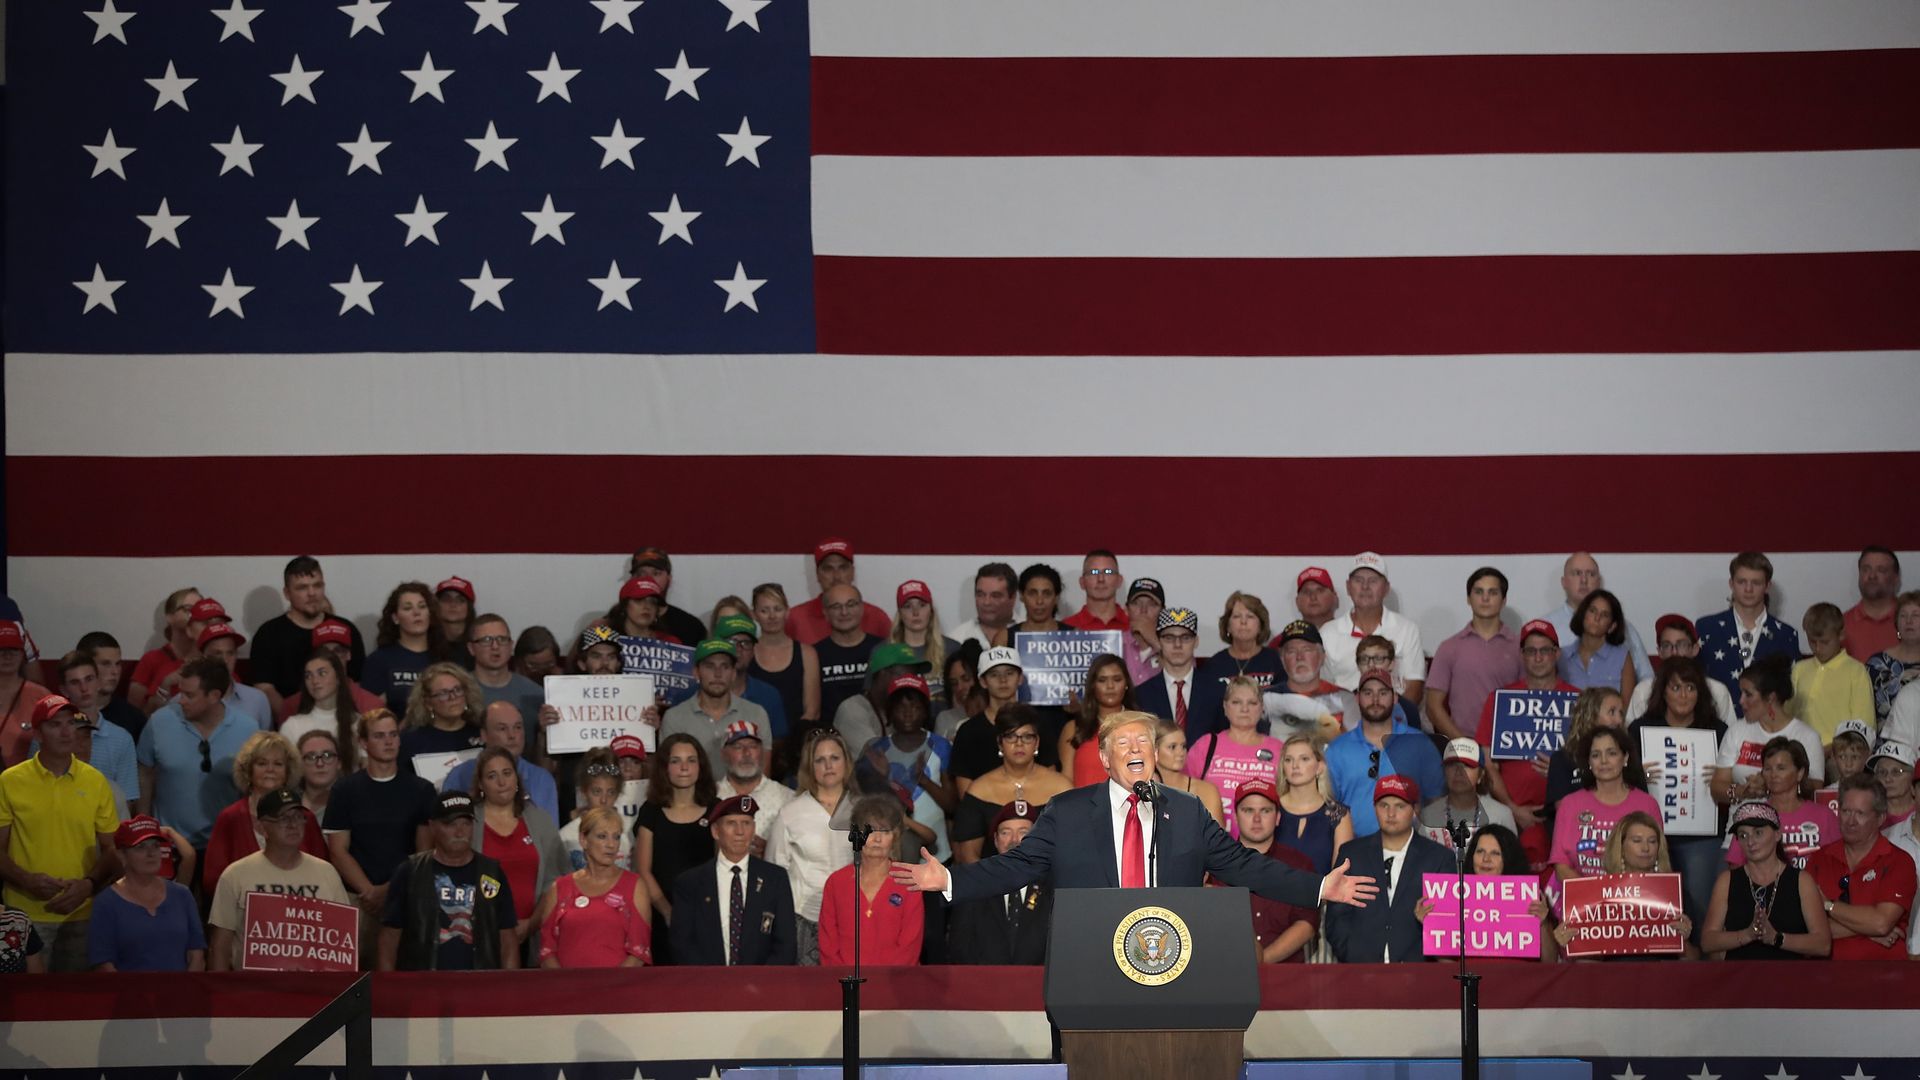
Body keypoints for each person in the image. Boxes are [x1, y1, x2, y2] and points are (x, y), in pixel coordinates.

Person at [891, 711, 1378, 911]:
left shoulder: (1186, 811)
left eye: (1143, 739)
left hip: (1173, 962)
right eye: (1121, 742)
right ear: (1104, 759)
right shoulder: (1066, 810)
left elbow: (1244, 865)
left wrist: (1317, 886)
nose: (1135, 747)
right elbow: (1018, 866)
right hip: (1090, 968)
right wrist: (950, 881)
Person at [0, 694, 121, 970]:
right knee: (26, 1003)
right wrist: (26, 880)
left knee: (76, 1005)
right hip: (23, 914)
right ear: (38, 734)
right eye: (56, 725)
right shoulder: (10, 781)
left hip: (81, 912)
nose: (67, 731)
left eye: (71, 723)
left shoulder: (95, 781)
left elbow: (113, 849)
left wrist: (88, 885)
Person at [1628, 655, 1729, 932]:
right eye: (1675, 687)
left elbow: (1733, 787)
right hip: (1652, 835)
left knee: (1700, 910)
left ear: (1701, 693)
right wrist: (1639, 776)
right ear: (1663, 692)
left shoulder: (1719, 731)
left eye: (1690, 688)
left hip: (1702, 836)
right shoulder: (1639, 730)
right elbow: (1620, 781)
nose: (1683, 695)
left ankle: (1699, 969)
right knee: (1656, 910)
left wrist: (1721, 780)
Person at [323, 708, 434, 945]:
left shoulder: (421, 790)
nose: (388, 741)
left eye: (393, 734)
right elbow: (338, 850)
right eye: (379, 736)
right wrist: (370, 892)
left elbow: (423, 853)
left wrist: (390, 890)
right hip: (357, 899)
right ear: (363, 742)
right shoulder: (344, 791)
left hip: (405, 895)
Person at [206, 788, 350, 970]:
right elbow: (220, 947)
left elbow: (342, 942)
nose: (293, 825)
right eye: (284, 818)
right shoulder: (235, 875)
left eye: (298, 817)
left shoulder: (327, 872)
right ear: (261, 826)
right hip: (253, 989)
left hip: (311, 987)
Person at [1475, 619, 1579, 864]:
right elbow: (1488, 764)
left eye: (1545, 650)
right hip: (1512, 815)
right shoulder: (1500, 700)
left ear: (1557, 653)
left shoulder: (1578, 700)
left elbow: (1590, 763)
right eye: (1531, 651)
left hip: (1565, 814)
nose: (1538, 657)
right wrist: (1512, 808)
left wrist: (1560, 773)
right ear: (1522, 655)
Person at [379, 791, 520, 971]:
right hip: (424, 989)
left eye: (466, 823)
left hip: (480, 988)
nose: (460, 832)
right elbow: (389, 939)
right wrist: (390, 990)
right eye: (450, 824)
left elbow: (507, 939)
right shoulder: (410, 872)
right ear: (432, 826)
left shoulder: (492, 873)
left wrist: (509, 990)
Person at [1324, 774, 1454, 962]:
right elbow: (1336, 915)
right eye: (1384, 805)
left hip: (1418, 972)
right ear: (1374, 808)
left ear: (1416, 809)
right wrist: (1352, 954)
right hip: (1360, 971)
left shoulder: (1439, 858)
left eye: (1400, 806)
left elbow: (1448, 924)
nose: (1391, 814)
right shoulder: (1352, 854)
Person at [136, 657, 256, 850]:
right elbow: (145, 774)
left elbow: (254, 789)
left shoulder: (248, 729)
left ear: (214, 696)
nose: (181, 700)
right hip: (170, 844)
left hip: (225, 845)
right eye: (181, 692)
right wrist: (145, 829)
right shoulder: (159, 722)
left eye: (189, 695)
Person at [669, 793, 798, 964]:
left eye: (746, 823)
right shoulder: (690, 883)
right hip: (707, 985)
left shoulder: (775, 879)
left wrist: (760, 983)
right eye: (731, 824)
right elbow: (682, 945)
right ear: (715, 831)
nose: (740, 832)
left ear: (754, 829)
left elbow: (786, 944)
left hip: (762, 985)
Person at [764, 729, 856, 964]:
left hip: (854, 916)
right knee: (809, 995)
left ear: (846, 762)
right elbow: (775, 872)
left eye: (834, 758)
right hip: (804, 918)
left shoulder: (863, 808)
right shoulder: (791, 812)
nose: (828, 766)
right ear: (810, 766)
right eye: (820, 760)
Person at [201, 731, 329, 898]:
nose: (270, 770)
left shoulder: (306, 818)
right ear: (248, 770)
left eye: (278, 764)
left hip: (298, 912)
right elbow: (212, 881)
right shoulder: (230, 817)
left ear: (288, 771)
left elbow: (323, 874)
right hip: (243, 913)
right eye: (262, 763)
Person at [1552, 810, 1693, 959]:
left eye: (1652, 841)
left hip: (1661, 978)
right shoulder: (1597, 896)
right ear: (1621, 847)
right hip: (1612, 978)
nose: (1646, 848)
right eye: (1637, 841)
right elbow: (1587, 967)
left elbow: (1696, 963)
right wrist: (1570, 943)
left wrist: (1683, 941)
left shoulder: (1676, 895)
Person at [1702, 800, 1831, 960]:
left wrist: (1776, 938)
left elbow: (1823, 944)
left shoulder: (1801, 881)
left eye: (1758, 833)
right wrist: (1747, 935)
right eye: (1743, 835)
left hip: (1788, 979)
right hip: (1740, 979)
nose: (1750, 841)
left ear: (1777, 834)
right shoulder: (1727, 881)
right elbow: (1708, 941)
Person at [1804, 774, 1915, 960]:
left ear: (1880, 818)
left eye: (1860, 813)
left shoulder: (1899, 862)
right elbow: (1803, 927)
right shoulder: (1819, 859)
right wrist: (1866, 931)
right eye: (1846, 811)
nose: (1851, 821)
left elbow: (1881, 922)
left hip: (1883, 979)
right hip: (1824, 979)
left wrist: (1827, 905)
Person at [472, 745, 566, 961]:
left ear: (517, 778)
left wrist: (531, 923)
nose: (502, 782)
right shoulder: (468, 824)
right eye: (492, 776)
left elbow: (558, 881)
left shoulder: (540, 820)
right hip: (482, 937)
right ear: (481, 784)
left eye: (507, 773)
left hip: (534, 934)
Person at [1326, 670, 1444, 838]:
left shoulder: (1419, 744)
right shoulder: (1337, 749)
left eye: (1383, 693)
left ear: (1395, 698)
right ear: (1357, 698)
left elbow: (1436, 799)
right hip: (1353, 850)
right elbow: (1329, 806)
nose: (1375, 700)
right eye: (1368, 693)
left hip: (1411, 851)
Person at [950, 705, 1072, 864]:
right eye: (1011, 736)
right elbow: (967, 854)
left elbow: (1072, 846)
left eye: (1027, 737)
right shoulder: (979, 790)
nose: (1019, 743)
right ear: (1000, 743)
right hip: (992, 883)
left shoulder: (1062, 788)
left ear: (1037, 743)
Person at [635, 734, 717, 964]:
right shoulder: (650, 811)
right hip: (661, 917)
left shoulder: (716, 809)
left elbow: (722, 865)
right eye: (675, 761)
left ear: (700, 766)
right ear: (664, 767)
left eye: (691, 760)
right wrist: (669, 912)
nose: (684, 767)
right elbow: (643, 871)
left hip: (707, 916)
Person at [535, 806, 651, 968]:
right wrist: (566, 986)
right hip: (567, 989)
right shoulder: (560, 888)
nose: (611, 844)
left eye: (616, 837)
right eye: (602, 836)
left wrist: (608, 988)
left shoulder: (634, 886)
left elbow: (639, 951)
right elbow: (547, 950)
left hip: (617, 988)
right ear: (584, 840)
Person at [248, 556, 367, 714]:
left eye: (317, 585)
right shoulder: (268, 634)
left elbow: (357, 682)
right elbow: (264, 688)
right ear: (287, 593)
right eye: (302, 588)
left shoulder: (345, 629)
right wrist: (294, 723)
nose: (312, 593)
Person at [86, 815, 206, 971]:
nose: (151, 853)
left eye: (156, 846)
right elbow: (103, 964)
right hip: (128, 993)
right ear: (122, 855)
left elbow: (196, 955)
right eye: (140, 847)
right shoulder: (106, 903)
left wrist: (185, 992)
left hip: (180, 992)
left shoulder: (182, 895)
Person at [1222, 778, 1321, 963]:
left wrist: (1263, 962)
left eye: (1265, 811)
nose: (1257, 819)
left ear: (1277, 818)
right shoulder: (1216, 865)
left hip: (1287, 977)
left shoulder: (1299, 864)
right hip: (1228, 974)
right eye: (1248, 810)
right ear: (1235, 816)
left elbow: (1307, 924)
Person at [819, 794, 924, 966]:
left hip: (894, 985)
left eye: (885, 831)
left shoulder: (908, 882)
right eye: (870, 830)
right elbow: (828, 945)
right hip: (845, 985)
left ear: (895, 836)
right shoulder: (836, 883)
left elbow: (909, 948)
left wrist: (884, 984)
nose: (877, 838)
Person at [1695, 552, 1804, 717]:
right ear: (1731, 584)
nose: (1748, 589)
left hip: (1769, 731)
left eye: (1756, 583)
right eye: (1741, 582)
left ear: (1768, 586)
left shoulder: (1786, 635)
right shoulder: (1707, 629)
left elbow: (1791, 694)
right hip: (1716, 726)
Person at [946, 799, 1051, 964]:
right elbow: (959, 949)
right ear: (995, 840)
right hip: (984, 985)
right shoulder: (974, 887)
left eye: (1023, 831)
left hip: (1040, 985)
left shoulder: (1053, 887)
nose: (1014, 840)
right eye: (1005, 832)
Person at [864, 674, 956, 863]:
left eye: (915, 707)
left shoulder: (941, 746)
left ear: (925, 711)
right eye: (900, 707)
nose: (908, 713)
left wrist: (925, 781)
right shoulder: (878, 750)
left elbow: (953, 806)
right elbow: (867, 805)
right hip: (892, 855)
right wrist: (882, 778)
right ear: (890, 711)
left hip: (937, 856)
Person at [1550, 727, 1660, 881]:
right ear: (1588, 761)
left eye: (1612, 753)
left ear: (1625, 758)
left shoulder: (1647, 804)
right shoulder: (1570, 804)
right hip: (1581, 899)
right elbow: (1561, 865)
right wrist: (1594, 896)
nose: (1603, 761)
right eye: (1596, 755)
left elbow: (1657, 861)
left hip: (1633, 897)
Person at [1425, 567, 1522, 741]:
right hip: (1462, 748)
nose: (1485, 598)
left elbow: (1530, 700)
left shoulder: (1520, 648)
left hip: (1508, 746)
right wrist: (1464, 745)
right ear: (1469, 599)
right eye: (1479, 592)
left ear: (1504, 600)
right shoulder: (1449, 648)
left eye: (1493, 592)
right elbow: (1433, 706)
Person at [1716, 656, 1826, 807]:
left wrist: (1769, 784)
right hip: (1740, 825)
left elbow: (1815, 792)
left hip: (1788, 826)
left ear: (1770, 698)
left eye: (1748, 694)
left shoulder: (1807, 737)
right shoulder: (1736, 731)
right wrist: (1743, 791)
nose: (1741, 701)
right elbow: (1716, 787)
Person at [1321, 553, 1427, 702]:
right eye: (1358, 580)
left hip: (1394, 719)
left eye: (1373, 581)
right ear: (1348, 587)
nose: (1365, 587)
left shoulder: (1407, 630)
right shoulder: (1327, 633)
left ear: (1386, 588)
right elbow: (1323, 689)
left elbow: (1414, 688)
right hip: (1343, 721)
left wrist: (1388, 720)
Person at [661, 640, 771, 780]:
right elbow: (667, 774)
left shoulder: (756, 714)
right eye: (710, 666)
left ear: (733, 674)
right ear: (696, 672)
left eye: (725, 666)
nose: (718, 674)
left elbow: (764, 779)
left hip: (742, 800)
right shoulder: (675, 717)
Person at [1726, 737, 1839, 870]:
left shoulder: (1824, 816)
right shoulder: (1751, 817)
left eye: (1781, 768)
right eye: (1768, 769)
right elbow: (1736, 867)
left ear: (1800, 773)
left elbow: (1838, 864)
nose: (1773, 775)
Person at [1544, 553, 1654, 686]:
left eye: (1590, 574)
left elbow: (1647, 679)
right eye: (1577, 573)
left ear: (1599, 581)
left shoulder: (1625, 629)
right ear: (1564, 582)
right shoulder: (1546, 627)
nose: (1584, 580)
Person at [1185, 677, 1278, 833]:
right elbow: (1184, 793)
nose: (1244, 709)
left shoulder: (1278, 749)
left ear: (1262, 707)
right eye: (1237, 702)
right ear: (1225, 706)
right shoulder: (1206, 745)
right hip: (1212, 847)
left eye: (1252, 703)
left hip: (1263, 848)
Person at [442, 701, 560, 821]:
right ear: (484, 735)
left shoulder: (542, 779)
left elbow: (549, 835)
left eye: (518, 727)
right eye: (502, 728)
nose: (512, 735)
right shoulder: (459, 776)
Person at [1193, 593, 1284, 736]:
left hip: (1268, 738)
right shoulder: (1213, 665)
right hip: (1224, 741)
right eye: (1236, 617)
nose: (1243, 622)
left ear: (1261, 625)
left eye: (1250, 616)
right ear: (1227, 626)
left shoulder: (1275, 660)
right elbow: (1206, 713)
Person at [56, 653, 137, 808]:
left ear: (99, 682)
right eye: (75, 682)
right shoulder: (50, 734)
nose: (84, 688)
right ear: (64, 690)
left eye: (89, 679)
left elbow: (127, 800)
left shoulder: (121, 739)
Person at [748, 583, 821, 749]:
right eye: (764, 610)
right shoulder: (747, 653)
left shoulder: (807, 654)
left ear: (788, 612)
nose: (772, 616)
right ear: (754, 615)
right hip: (753, 742)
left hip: (797, 744)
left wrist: (792, 745)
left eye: (777, 609)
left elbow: (812, 711)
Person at [1624, 615, 1737, 722]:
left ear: (1694, 649)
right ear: (1660, 652)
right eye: (1667, 646)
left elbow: (1729, 738)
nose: (1674, 652)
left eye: (1681, 645)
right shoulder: (1643, 691)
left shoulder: (1718, 691)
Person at [1791, 602, 1874, 746]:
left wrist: (1832, 749)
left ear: (1841, 635)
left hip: (1839, 753)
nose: (1817, 648)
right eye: (1812, 641)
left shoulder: (1856, 671)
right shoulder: (1799, 669)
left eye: (1824, 642)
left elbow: (1864, 726)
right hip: (1799, 750)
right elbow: (1787, 717)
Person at [832, 642, 933, 759]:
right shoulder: (852, 709)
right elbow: (878, 763)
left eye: (914, 676)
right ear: (882, 673)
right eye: (904, 676)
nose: (909, 682)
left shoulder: (905, 712)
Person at [950, 647, 1028, 793]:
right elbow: (966, 796)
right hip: (984, 813)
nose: (1003, 680)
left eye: (1009, 673)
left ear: (1020, 678)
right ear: (983, 681)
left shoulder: (1038, 724)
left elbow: (1049, 782)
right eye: (994, 674)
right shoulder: (968, 732)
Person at [362, 582, 448, 713]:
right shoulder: (379, 660)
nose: (417, 612)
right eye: (408, 608)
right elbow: (372, 717)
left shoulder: (445, 658)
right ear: (395, 618)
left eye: (422, 607)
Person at [1274, 732, 1353, 875]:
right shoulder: (1271, 808)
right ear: (1283, 767)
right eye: (1288, 760)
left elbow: (1340, 877)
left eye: (1304, 759)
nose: (1295, 766)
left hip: (1321, 896)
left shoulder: (1338, 815)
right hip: (1270, 896)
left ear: (1320, 767)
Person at [1544, 686, 1631, 810]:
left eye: (1621, 714)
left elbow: (1639, 806)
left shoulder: (1627, 756)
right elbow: (1564, 812)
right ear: (1590, 716)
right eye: (1612, 712)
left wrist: (1646, 776)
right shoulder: (1562, 759)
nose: (1619, 720)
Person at [277, 651, 363, 774]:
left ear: (338, 678)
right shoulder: (292, 726)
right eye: (308, 676)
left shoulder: (358, 723)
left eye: (322, 673)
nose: (315, 681)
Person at [1419, 738, 1517, 844]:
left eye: (1467, 765)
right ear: (1444, 772)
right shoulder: (1427, 816)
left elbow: (1511, 858)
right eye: (1452, 765)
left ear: (1481, 774)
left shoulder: (1501, 815)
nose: (1459, 772)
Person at [814, 585, 885, 727]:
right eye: (836, 607)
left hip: (877, 735)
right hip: (831, 738)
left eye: (851, 604)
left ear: (862, 608)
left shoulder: (882, 649)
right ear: (825, 613)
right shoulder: (814, 654)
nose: (844, 612)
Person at [1059, 654, 1134, 786]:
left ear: (1126, 684)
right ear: (1092, 685)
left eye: (1117, 679)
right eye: (1102, 680)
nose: (1110, 686)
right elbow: (1065, 782)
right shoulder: (1074, 728)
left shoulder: (1141, 724)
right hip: (1082, 805)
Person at [398, 663, 485, 777]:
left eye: (457, 690)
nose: (453, 697)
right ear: (428, 703)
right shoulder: (411, 741)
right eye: (443, 693)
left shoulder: (482, 733)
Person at [714, 614, 790, 742]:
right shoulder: (691, 696)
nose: (738, 650)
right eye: (731, 642)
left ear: (753, 651)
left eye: (745, 643)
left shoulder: (769, 696)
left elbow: (778, 745)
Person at [466, 614, 544, 737]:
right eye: (486, 640)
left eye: (502, 639)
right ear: (471, 648)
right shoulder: (459, 691)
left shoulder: (534, 694)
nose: (495, 646)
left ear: (511, 645)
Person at [128, 588, 200, 714]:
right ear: (169, 617)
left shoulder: (209, 658)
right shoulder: (151, 659)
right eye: (188, 609)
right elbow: (133, 714)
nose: (194, 616)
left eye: (199, 610)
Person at [560, 748, 633, 871]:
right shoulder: (566, 836)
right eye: (597, 792)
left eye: (611, 792)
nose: (604, 800)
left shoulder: (629, 829)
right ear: (584, 791)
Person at [1135, 607, 1203, 737]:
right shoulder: (1142, 695)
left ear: (1196, 642)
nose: (1177, 645)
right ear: (1159, 642)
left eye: (1185, 638)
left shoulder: (1216, 692)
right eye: (1169, 638)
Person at [1558, 588, 1637, 701]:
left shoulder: (1622, 657)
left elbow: (1625, 707)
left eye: (1604, 615)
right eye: (1592, 611)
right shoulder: (1562, 656)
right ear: (1583, 614)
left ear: (1612, 626)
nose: (1597, 618)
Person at [193, 622, 272, 731]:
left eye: (230, 653)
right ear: (203, 657)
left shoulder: (257, 699)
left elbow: (266, 744)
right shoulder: (184, 702)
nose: (225, 660)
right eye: (217, 653)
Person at [717, 721, 793, 834]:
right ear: (724, 754)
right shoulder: (711, 796)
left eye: (753, 746)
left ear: (762, 752)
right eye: (738, 747)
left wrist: (771, 847)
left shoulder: (787, 798)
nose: (747, 753)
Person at [627, 546, 710, 647]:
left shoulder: (691, 627)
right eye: (641, 573)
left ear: (669, 579)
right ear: (631, 580)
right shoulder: (613, 625)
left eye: (656, 573)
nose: (648, 579)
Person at [76, 631, 146, 744]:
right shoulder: (61, 716)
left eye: (118, 664)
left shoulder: (133, 719)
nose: (115, 672)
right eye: (105, 664)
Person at [1866, 590, 1920, 725]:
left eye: (1915, 615)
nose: (1909, 621)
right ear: (1896, 623)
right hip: (1882, 743)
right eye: (1903, 616)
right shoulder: (1876, 664)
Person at [1845, 547, 1903, 662]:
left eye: (1881, 570)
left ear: (1896, 578)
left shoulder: (1912, 621)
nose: (1872, 576)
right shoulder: (1841, 625)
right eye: (1866, 569)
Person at [950, 562, 1020, 650]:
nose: (986, 602)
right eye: (981, 594)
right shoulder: (957, 639)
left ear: (1013, 597)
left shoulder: (1029, 634)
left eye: (995, 596)